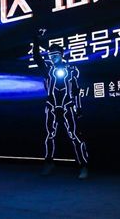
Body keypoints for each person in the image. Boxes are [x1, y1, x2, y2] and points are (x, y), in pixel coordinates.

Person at [33, 28, 88, 180]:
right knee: (49, 135)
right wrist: (36, 40)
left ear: (61, 55)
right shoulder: (48, 70)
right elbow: (37, 57)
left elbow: (76, 90)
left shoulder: (70, 70)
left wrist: (79, 108)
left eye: (55, 55)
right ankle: (49, 162)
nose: (53, 57)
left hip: (67, 106)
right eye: (51, 55)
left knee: (75, 135)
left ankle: (83, 165)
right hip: (51, 106)